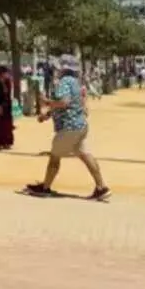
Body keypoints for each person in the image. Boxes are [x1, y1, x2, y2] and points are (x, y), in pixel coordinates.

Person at [25, 55, 111, 201]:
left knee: (54, 157)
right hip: (80, 126)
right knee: (85, 155)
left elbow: (64, 103)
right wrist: (48, 115)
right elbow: (68, 105)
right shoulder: (75, 82)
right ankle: (101, 187)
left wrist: (47, 102)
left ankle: (45, 187)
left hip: (68, 128)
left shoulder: (64, 82)